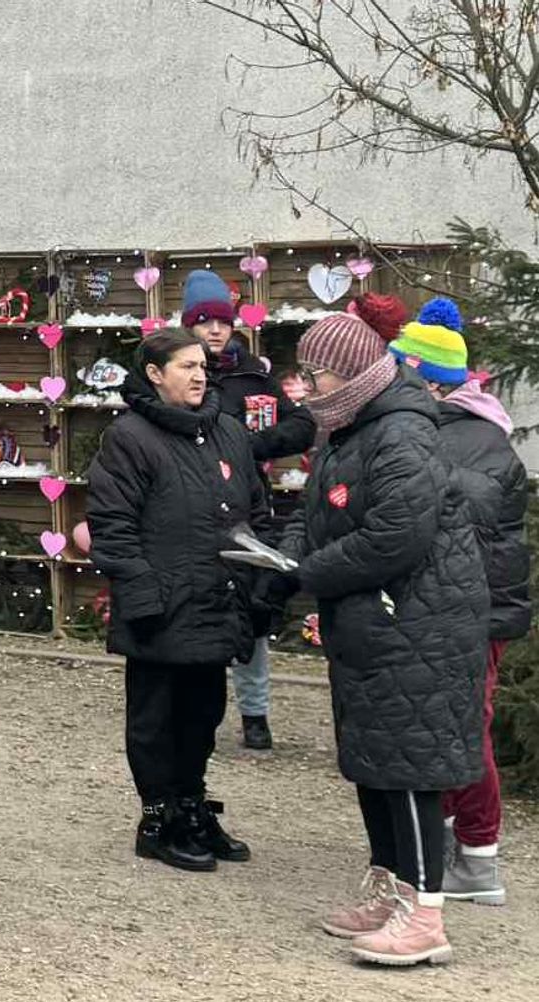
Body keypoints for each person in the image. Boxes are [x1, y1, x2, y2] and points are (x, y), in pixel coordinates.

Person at [281, 313, 488, 966]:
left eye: (313, 373)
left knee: (409, 768)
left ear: (348, 373)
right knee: (375, 760)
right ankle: (390, 886)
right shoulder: (348, 429)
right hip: (375, 623)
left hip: (417, 627)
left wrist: (308, 573)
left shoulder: (401, 430)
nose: (305, 385)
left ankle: (425, 917)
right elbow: (318, 513)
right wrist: (285, 556)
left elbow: (396, 536)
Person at [87, 327, 266, 874]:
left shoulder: (228, 431)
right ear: (154, 374)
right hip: (160, 608)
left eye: (202, 366)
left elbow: (255, 511)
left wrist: (258, 583)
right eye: (186, 366)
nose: (198, 375)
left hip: (216, 600)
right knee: (155, 721)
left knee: (203, 714)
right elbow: (112, 525)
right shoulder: (130, 438)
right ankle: (158, 819)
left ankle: (191, 806)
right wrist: (143, 596)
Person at [388, 299, 531, 906]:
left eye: (399, 371)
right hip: (471, 609)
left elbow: (433, 529)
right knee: (448, 727)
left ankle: (478, 855)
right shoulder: (471, 431)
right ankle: (450, 842)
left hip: (468, 613)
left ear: (428, 382)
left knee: (465, 731)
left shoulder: (450, 441)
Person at [183, 269, 316, 751]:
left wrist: (249, 446)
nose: (216, 330)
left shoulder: (254, 377)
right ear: (189, 325)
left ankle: (255, 712)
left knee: (252, 609)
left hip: (246, 506)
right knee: (195, 608)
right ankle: (195, 713)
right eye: (205, 322)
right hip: (190, 505)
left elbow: (302, 426)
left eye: (223, 321)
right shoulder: (176, 373)